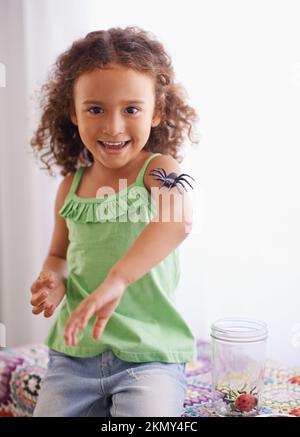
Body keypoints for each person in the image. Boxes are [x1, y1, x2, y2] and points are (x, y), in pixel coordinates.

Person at [30, 26, 199, 417]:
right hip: (73, 357)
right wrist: (52, 281)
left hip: (149, 356)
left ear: (156, 111)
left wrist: (117, 280)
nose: (113, 126)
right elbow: (58, 255)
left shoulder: (159, 171)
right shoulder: (71, 186)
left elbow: (177, 222)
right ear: (73, 113)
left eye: (131, 109)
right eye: (95, 109)